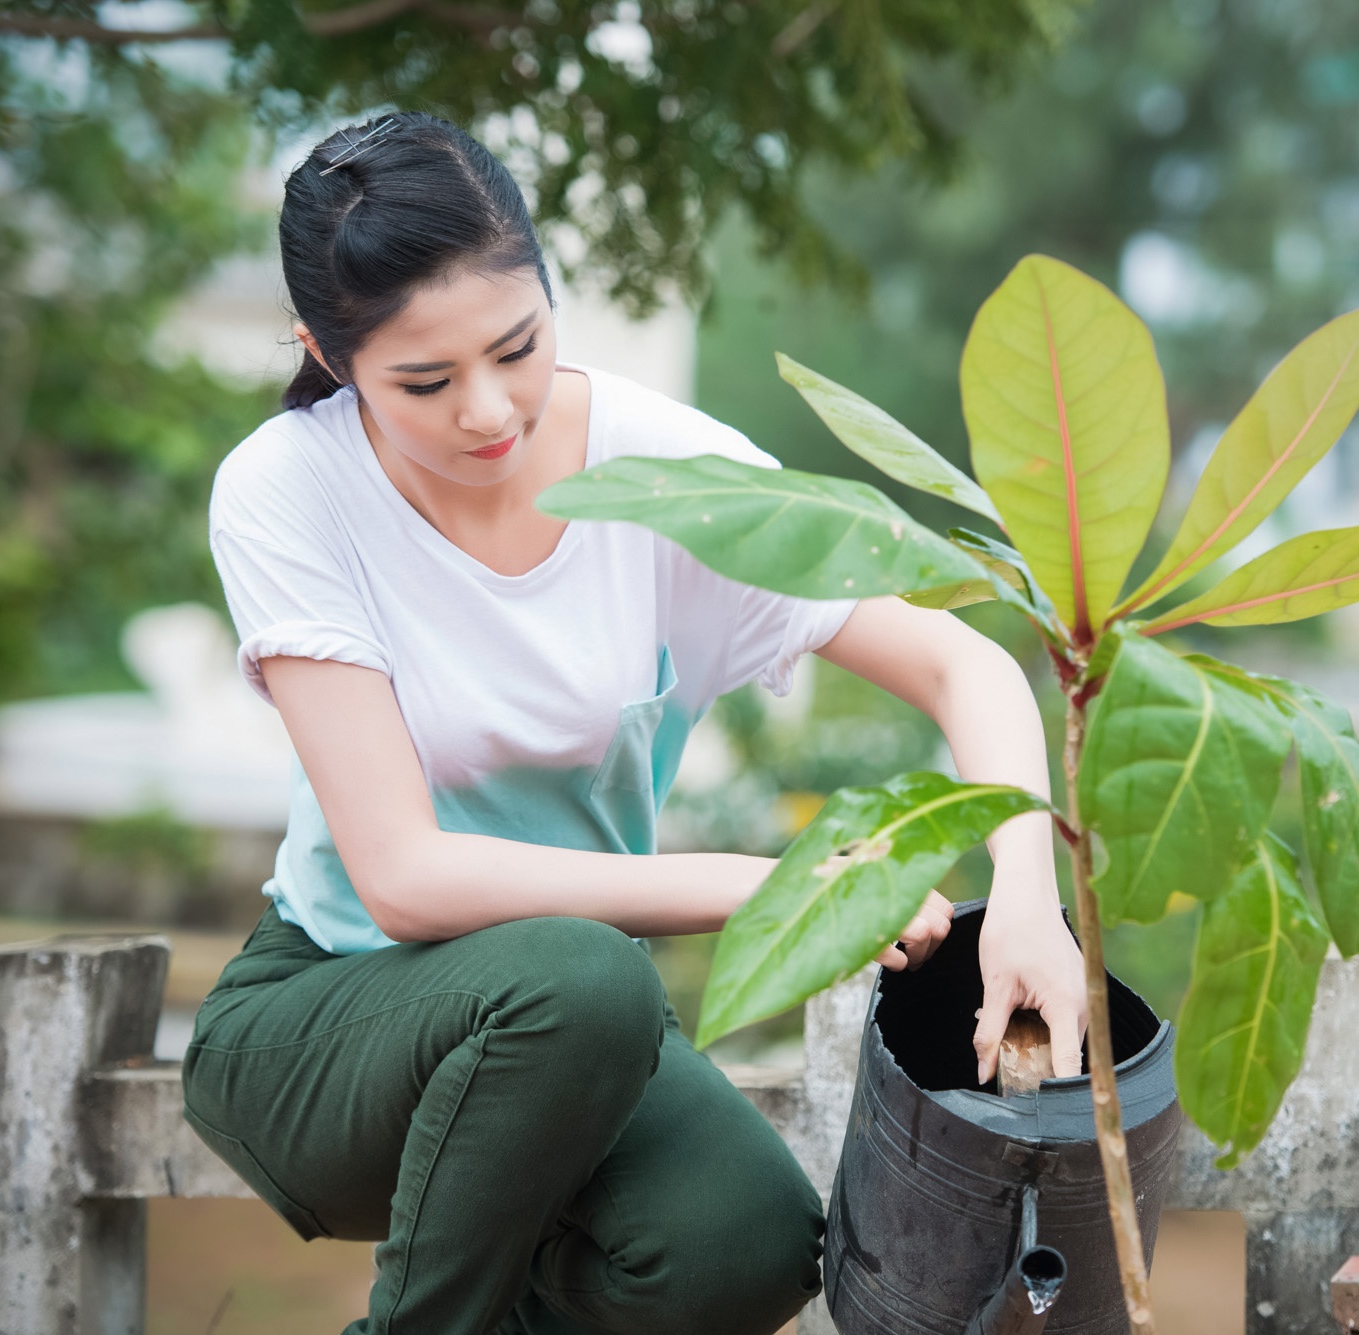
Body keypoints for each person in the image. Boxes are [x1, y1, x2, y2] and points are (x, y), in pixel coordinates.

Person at [183, 111, 1088, 1335]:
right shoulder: (286, 487)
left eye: (518, 347)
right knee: (585, 977)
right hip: (328, 1021)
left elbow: (956, 662)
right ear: (327, 357)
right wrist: (783, 888)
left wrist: (1024, 892)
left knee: (747, 1248)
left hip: (567, 1047)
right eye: (425, 382)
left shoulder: (660, 473)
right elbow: (401, 879)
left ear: (550, 289)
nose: (490, 412)